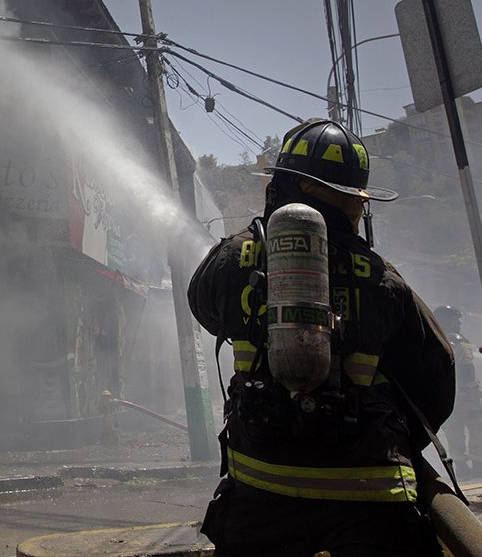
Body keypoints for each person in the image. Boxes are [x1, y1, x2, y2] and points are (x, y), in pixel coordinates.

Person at [188, 118, 454, 555]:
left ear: (282, 187)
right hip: (371, 500)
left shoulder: (234, 259)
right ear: (343, 199)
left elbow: (203, 307)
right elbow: (435, 379)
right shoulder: (381, 278)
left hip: (259, 490)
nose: (359, 211)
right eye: (357, 201)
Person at [436, 305, 482, 471]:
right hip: (468, 397)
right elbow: (468, 364)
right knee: (477, 429)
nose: (459, 322)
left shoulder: (434, 339)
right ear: (448, 320)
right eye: (456, 319)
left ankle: (461, 468)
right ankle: (478, 465)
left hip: (449, 397)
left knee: (454, 433)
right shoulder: (458, 340)